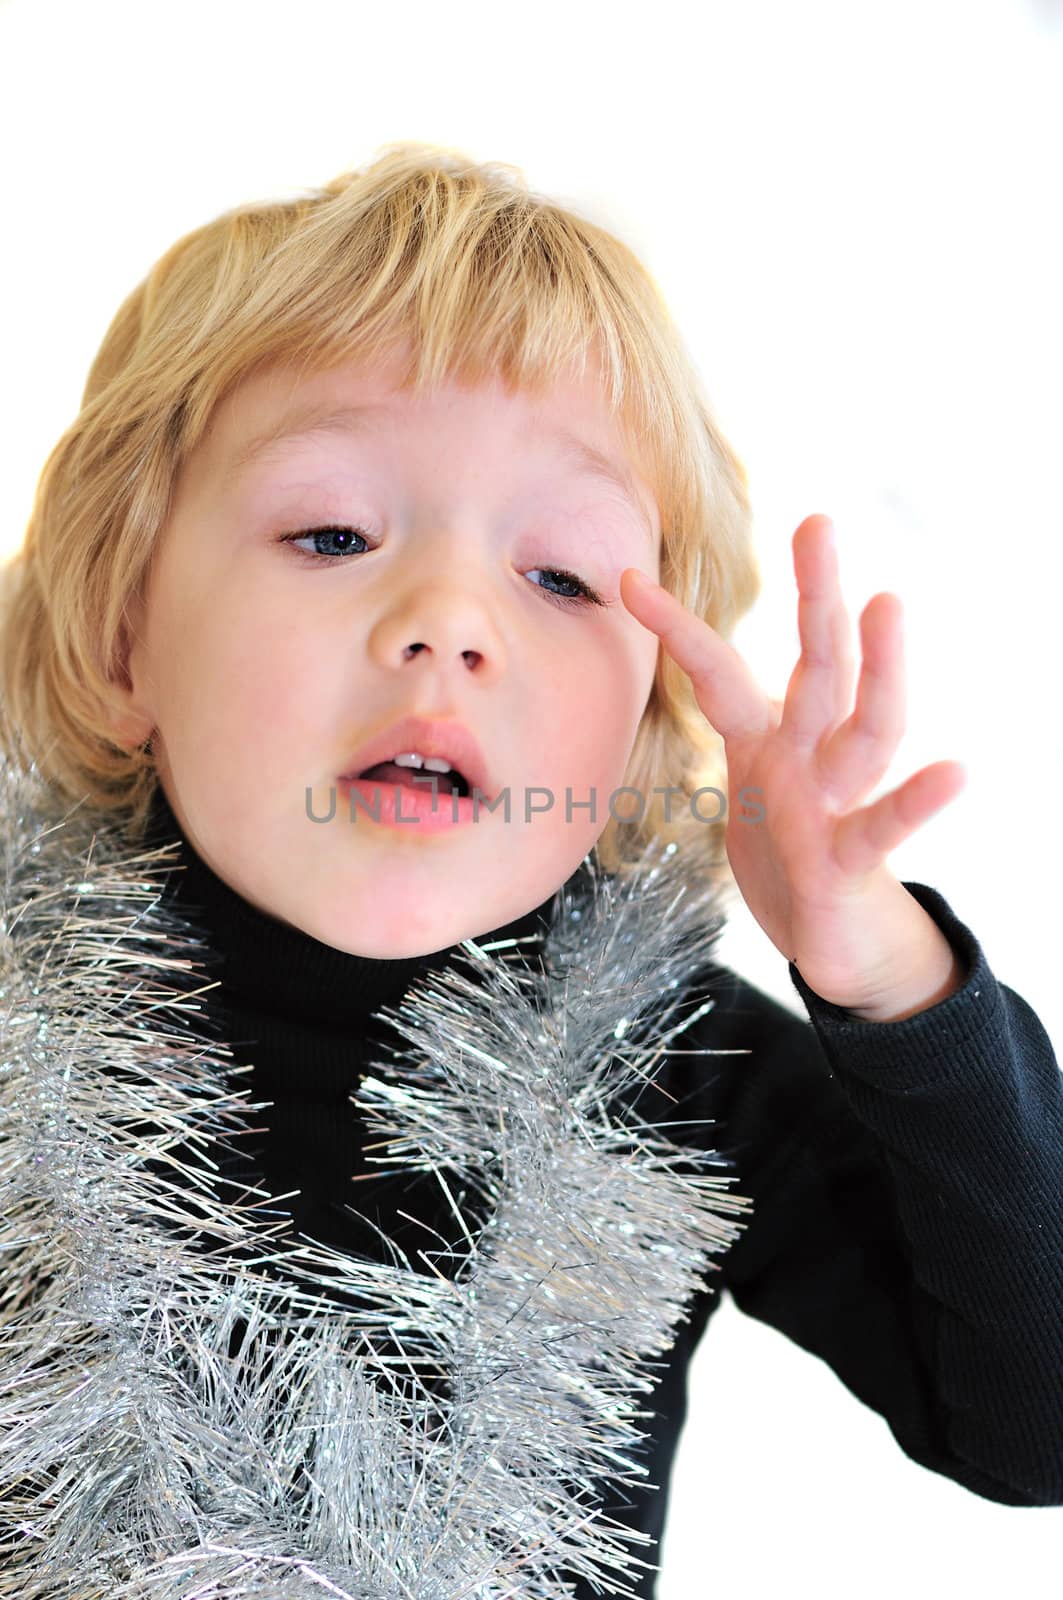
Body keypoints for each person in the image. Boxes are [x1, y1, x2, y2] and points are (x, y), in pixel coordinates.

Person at [0, 142, 1059, 1598]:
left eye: (559, 575)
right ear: (125, 638)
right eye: (333, 532)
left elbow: (1035, 1421)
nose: (446, 619)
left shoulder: (681, 1071)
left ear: (640, 716)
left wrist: (886, 977)